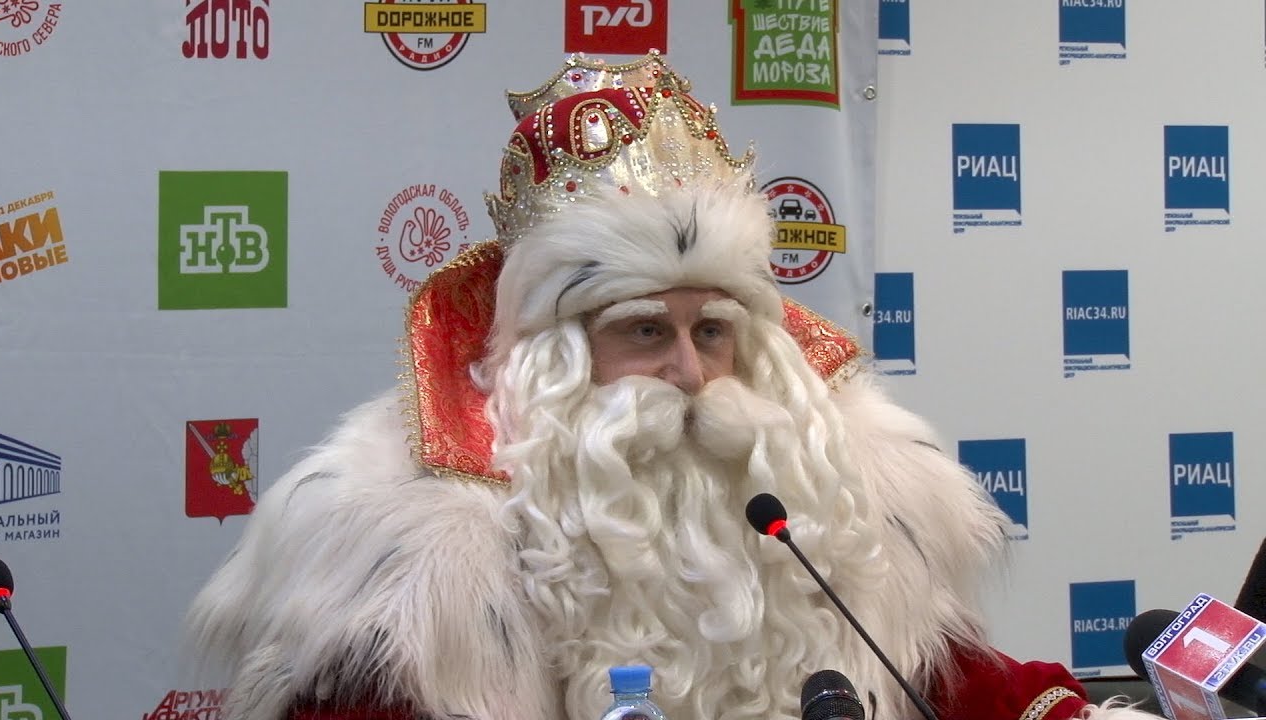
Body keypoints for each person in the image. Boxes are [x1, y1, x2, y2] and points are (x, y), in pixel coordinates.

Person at [187, 52, 1152, 720]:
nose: (690, 376)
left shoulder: (841, 488)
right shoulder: (410, 547)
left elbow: (945, 678)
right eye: (646, 332)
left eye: (712, 331)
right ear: (556, 352)